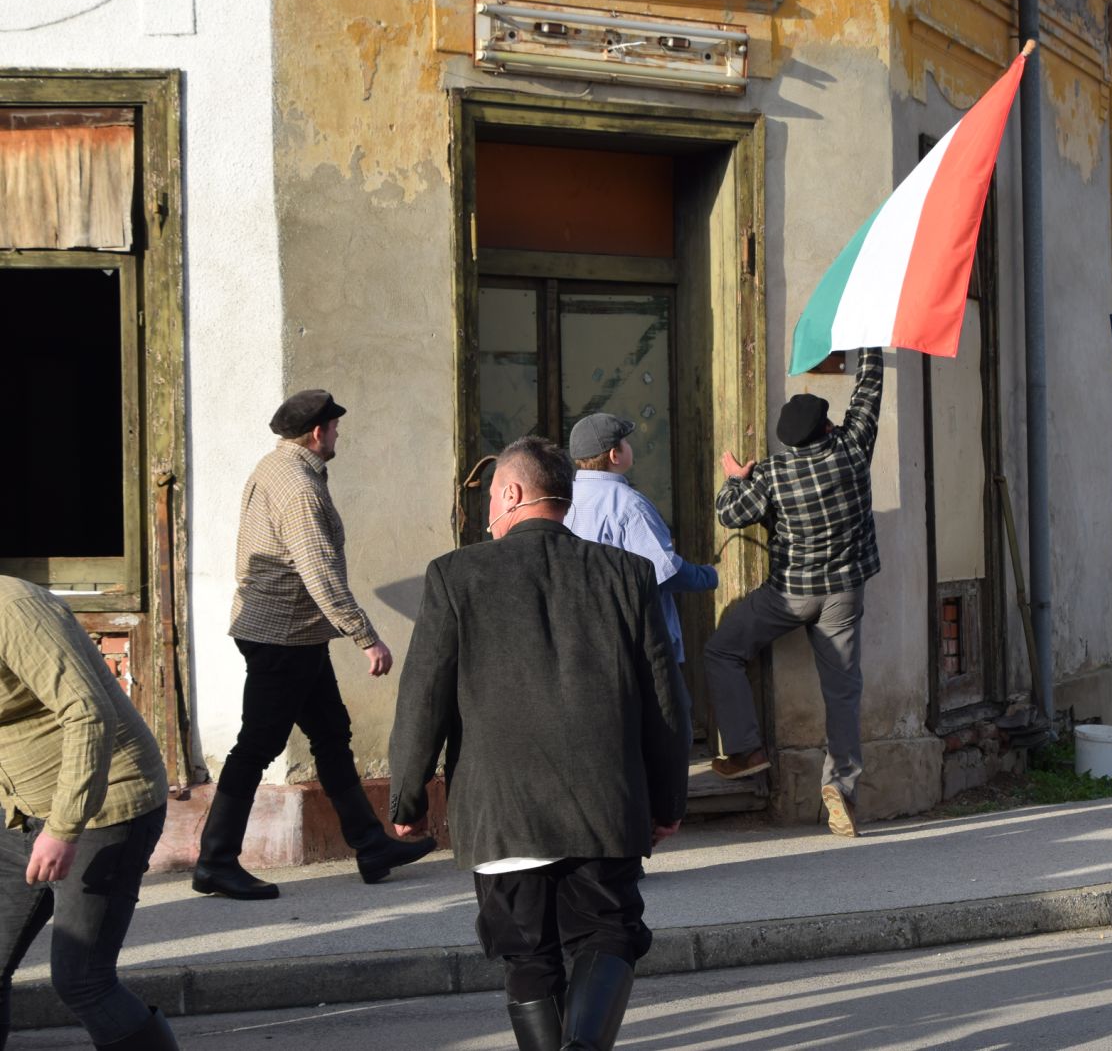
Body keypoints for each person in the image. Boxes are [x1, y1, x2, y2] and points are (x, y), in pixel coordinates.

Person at [389, 436, 690, 1051]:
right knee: (607, 933)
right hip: (603, 802)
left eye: (489, 499)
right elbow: (666, 701)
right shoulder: (626, 573)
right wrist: (667, 801)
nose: (487, 514)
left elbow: (423, 698)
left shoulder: (455, 575)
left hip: (503, 809)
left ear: (512, 493)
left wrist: (407, 798)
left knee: (527, 955)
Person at [192, 389, 433, 901]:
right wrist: (366, 637)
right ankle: (215, 861)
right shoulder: (299, 486)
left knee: (330, 734)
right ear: (319, 432)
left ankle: (371, 845)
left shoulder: (274, 467)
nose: (338, 435)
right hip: (282, 636)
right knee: (257, 746)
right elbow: (318, 569)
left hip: (293, 633)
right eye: (336, 428)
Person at [703, 347, 883, 838]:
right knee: (842, 694)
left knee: (722, 650)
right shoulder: (851, 448)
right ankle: (840, 788)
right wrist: (868, 344)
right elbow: (868, 392)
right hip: (844, 594)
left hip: (789, 596)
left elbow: (729, 514)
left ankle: (746, 749)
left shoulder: (773, 475)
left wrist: (735, 480)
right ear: (827, 428)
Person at [0, 576, 177, 1049]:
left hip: (105, 805)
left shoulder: (13, 609)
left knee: (82, 979)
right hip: (19, 809)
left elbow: (89, 712)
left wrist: (62, 829)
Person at [564, 412, 719, 664]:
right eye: (625, 441)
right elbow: (665, 572)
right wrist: (709, 576)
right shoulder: (628, 504)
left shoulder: (564, 499)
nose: (629, 446)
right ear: (614, 455)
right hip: (637, 648)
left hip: (585, 641)